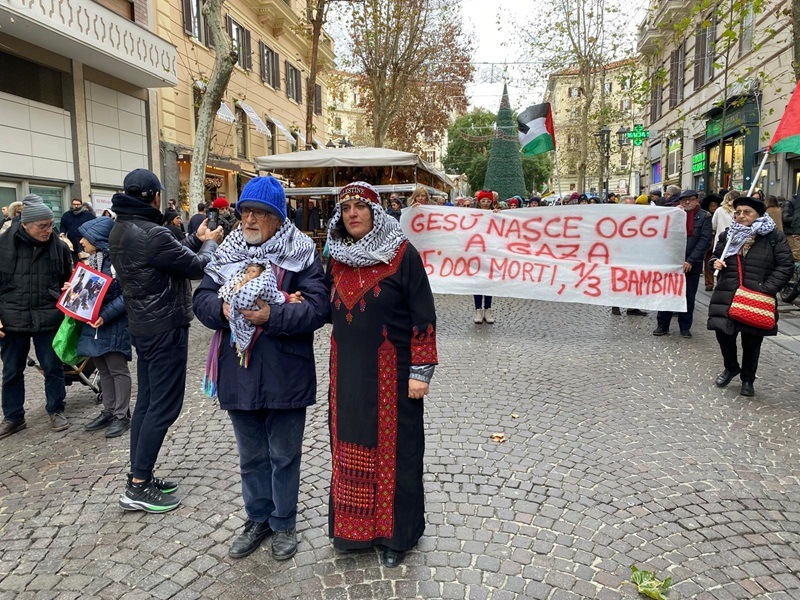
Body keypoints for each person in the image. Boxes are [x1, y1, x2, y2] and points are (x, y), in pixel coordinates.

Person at [193, 175, 327, 561]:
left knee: (284, 455)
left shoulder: (301, 253)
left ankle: (284, 522)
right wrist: (221, 309)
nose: (250, 219)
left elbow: (319, 308)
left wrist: (274, 313)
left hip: (286, 370)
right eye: (246, 211)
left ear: (279, 219)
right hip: (239, 370)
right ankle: (257, 519)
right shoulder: (227, 253)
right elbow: (202, 299)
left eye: (261, 213)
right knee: (251, 456)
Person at [326, 181, 437, 568]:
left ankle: (396, 535)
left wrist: (421, 371)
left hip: (394, 376)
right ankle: (353, 532)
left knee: (397, 453)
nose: (352, 213)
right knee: (350, 448)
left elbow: (424, 316)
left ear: (376, 212)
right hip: (347, 377)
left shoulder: (403, 255)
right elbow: (322, 306)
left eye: (360, 206)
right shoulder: (336, 259)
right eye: (345, 208)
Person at [110, 168, 222, 513]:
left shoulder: (122, 229)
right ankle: (139, 485)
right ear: (153, 196)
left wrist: (194, 238)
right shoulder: (152, 233)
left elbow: (165, 258)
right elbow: (195, 267)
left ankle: (138, 475)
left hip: (144, 328)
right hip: (165, 328)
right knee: (164, 406)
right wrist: (211, 242)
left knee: (146, 403)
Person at [0, 195, 73, 438]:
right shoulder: (2, 246)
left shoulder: (60, 247)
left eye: (50, 224)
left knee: (53, 367)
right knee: (11, 370)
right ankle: (13, 417)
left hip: (48, 316)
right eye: (42, 226)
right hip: (12, 316)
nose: (48, 230)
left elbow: (67, 279)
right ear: (25, 225)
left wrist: (67, 290)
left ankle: (56, 410)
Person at [708, 197, 794, 396]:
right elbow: (715, 256)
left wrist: (768, 288)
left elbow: (785, 265)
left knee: (752, 341)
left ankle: (748, 378)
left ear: (759, 215)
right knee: (723, 334)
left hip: (756, 295)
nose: (741, 216)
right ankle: (731, 367)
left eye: (747, 212)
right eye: (738, 212)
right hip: (728, 293)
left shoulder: (773, 236)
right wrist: (715, 263)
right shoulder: (728, 235)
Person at [76, 217, 133, 438]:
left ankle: (122, 415)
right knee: (103, 368)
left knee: (117, 368)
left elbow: (125, 294)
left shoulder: (117, 263)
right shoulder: (93, 261)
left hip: (113, 323)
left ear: (97, 240)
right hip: (95, 323)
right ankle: (109, 410)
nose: (81, 241)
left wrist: (106, 316)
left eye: (85, 238)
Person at [653, 189, 712, 338]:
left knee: (688, 297)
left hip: (691, 263)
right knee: (667, 293)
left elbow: (704, 242)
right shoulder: (673, 214)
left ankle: (685, 327)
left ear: (697, 201)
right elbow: (663, 236)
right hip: (671, 262)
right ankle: (662, 325)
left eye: (691, 199)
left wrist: (691, 260)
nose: (687, 202)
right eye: (683, 200)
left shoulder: (704, 217)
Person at [473, 190, 496, 324]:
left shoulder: (495, 214)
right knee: (477, 281)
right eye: (483, 201)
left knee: (488, 281)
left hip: (490, 252)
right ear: (479, 202)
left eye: (488, 201)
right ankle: (478, 309)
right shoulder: (473, 214)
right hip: (476, 251)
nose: (486, 204)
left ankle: (488, 309)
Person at [60, 197, 95, 263]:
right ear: (71, 205)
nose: (76, 206)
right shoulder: (66, 215)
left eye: (78, 204)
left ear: (81, 205)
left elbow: (94, 225)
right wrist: (62, 232)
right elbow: (63, 225)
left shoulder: (88, 215)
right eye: (74, 204)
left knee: (85, 260)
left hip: (85, 241)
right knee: (74, 260)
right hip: (72, 241)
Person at [701, 194, 722, 291]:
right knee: (708, 261)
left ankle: (718, 282)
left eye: (715, 205)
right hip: (709, 241)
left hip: (718, 240)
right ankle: (709, 283)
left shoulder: (719, 213)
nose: (713, 207)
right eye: (711, 206)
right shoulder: (705, 215)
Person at [782, 191, 800, 261]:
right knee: (795, 255)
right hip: (793, 233)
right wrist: (797, 219)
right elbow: (785, 218)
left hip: (796, 233)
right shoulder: (790, 202)